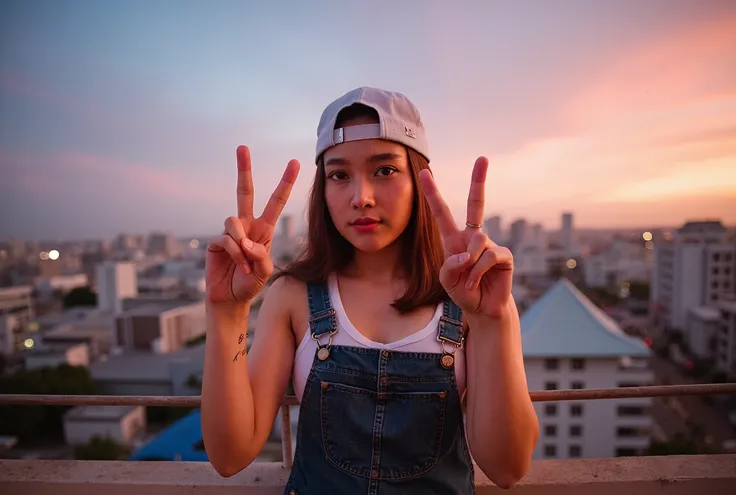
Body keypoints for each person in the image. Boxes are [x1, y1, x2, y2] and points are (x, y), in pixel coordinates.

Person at [201, 87, 539, 494]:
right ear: (322, 192)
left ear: (419, 180)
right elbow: (230, 455)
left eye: (384, 171)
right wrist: (227, 312)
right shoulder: (293, 294)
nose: (360, 197)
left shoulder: (473, 295)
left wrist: (493, 321)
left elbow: (506, 467)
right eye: (339, 175)